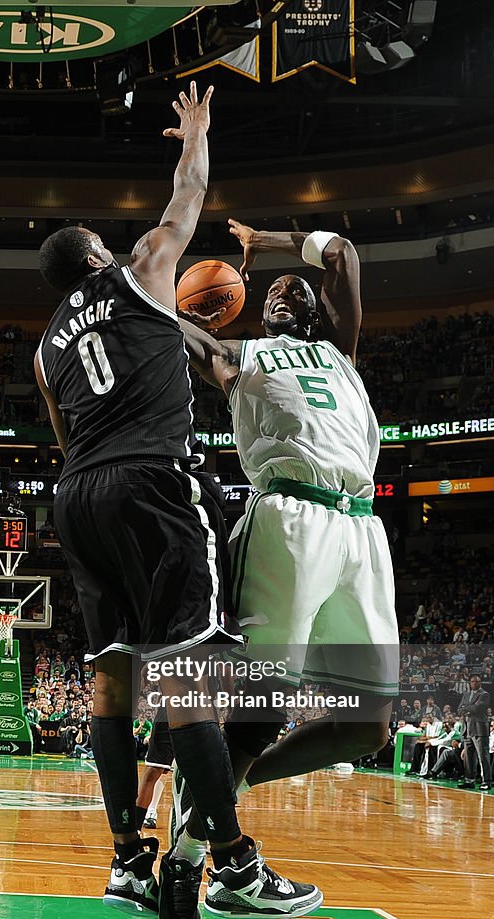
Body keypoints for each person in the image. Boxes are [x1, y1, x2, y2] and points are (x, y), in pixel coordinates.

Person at [35, 83, 320, 919]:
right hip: (151, 486)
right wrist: (195, 133)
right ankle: (229, 857)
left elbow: (71, 427)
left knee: (112, 687)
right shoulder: (144, 266)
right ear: (95, 256)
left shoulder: (45, 347)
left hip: (76, 494)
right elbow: (188, 196)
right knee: (195, 676)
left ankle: (127, 854)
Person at [172, 218, 398, 856]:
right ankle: (195, 855)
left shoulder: (342, 350)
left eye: (299, 291)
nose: (285, 292)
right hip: (290, 519)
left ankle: (221, 789)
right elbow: (192, 343)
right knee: (265, 701)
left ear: (319, 313)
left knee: (367, 726)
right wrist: (151, 294)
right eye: (275, 291)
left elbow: (345, 254)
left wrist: (270, 242)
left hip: (362, 527)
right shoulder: (240, 357)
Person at [457, 675, 492, 790]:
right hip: (467, 729)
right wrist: (469, 708)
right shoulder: (466, 694)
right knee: (469, 758)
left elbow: (478, 709)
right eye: (472, 681)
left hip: (479, 729)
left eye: (477, 681)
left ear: (480, 682)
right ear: (469, 683)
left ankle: (486, 781)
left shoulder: (484, 694)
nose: (474, 683)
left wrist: (466, 708)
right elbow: (459, 710)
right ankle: (469, 780)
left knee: (483, 757)